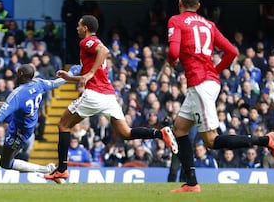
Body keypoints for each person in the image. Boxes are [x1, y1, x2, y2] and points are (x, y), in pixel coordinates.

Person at [166, 0, 274, 193]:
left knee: (210, 141)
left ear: (180, 3)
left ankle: (266, 140)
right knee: (180, 129)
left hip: (200, 84)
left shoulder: (176, 20)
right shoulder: (209, 24)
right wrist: (215, 70)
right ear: (199, 6)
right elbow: (233, 51)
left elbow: (174, 52)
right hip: (208, 82)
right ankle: (191, 183)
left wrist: (171, 62)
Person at [44, 15, 178, 183]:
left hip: (94, 94)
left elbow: (104, 51)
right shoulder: (91, 47)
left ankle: (62, 170)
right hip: (108, 95)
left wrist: (90, 73)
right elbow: (92, 75)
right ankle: (160, 133)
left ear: (85, 28)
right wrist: (70, 78)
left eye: (79, 25)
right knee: (126, 133)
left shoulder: (87, 41)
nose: (77, 28)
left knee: (63, 124)